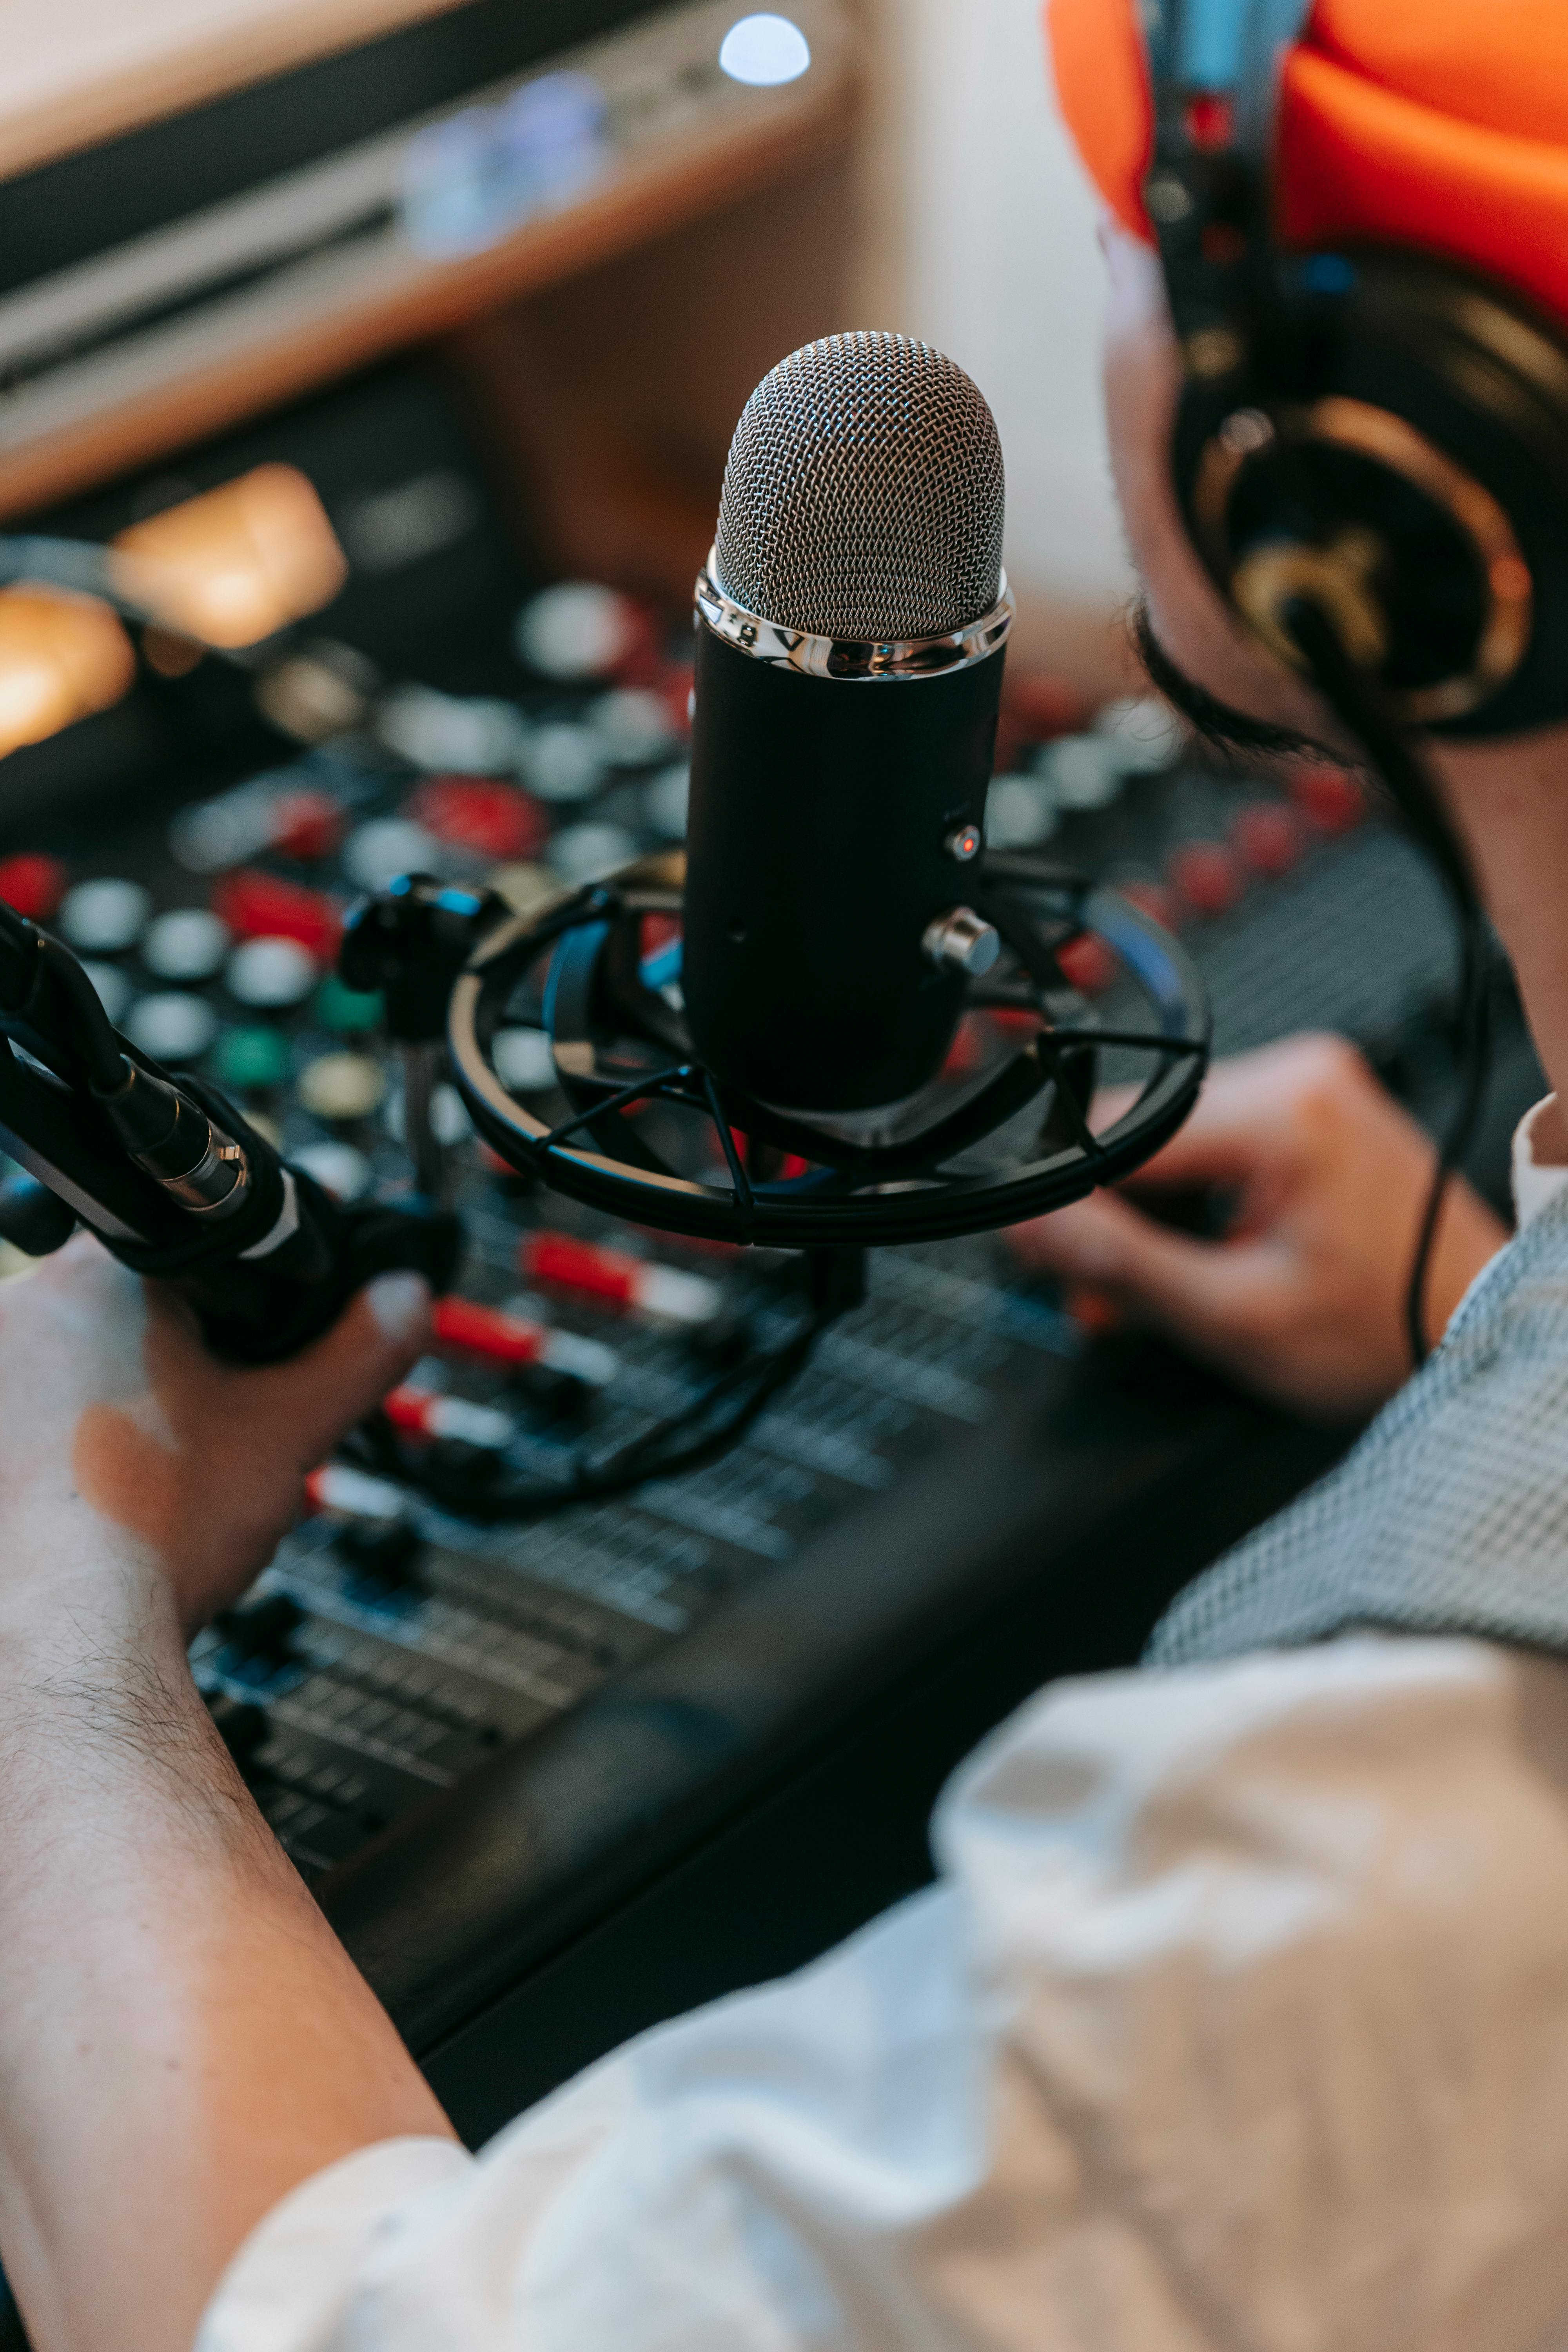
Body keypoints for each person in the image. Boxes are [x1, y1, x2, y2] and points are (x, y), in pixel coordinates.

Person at [8, 3, 1568, 2346]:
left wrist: (46, 1655)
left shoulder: (1394, 1881)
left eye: (1138, 256)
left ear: (1368, 485)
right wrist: (1479, 1302)